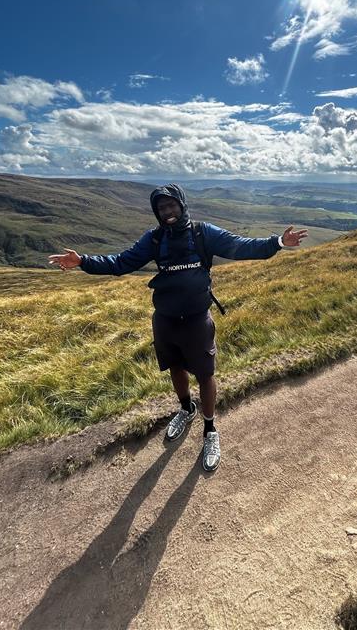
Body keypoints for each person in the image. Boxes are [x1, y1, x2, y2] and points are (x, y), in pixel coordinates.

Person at [48, 183, 307, 472]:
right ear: (156, 212)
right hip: (165, 319)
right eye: (161, 208)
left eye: (172, 205)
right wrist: (83, 261)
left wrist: (278, 243)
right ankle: (186, 409)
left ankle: (210, 430)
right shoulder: (154, 239)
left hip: (197, 318)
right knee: (175, 366)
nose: (167, 211)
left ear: (182, 205)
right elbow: (121, 263)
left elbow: (240, 246)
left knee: (205, 374)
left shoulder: (202, 233)